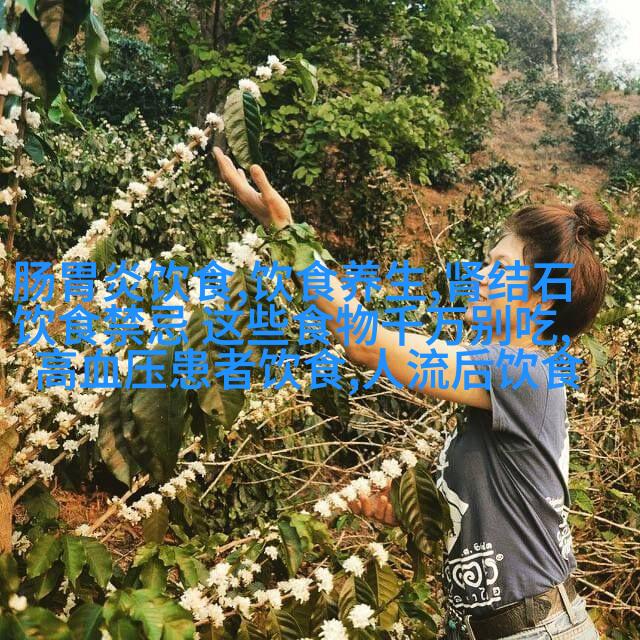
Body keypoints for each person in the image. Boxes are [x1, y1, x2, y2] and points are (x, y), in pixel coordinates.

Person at [213, 147, 606, 640]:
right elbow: (497, 509)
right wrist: (405, 508)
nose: (480, 277)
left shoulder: (525, 372)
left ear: (542, 298)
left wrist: (287, 233)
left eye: (500, 268)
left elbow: (364, 341)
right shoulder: (503, 382)